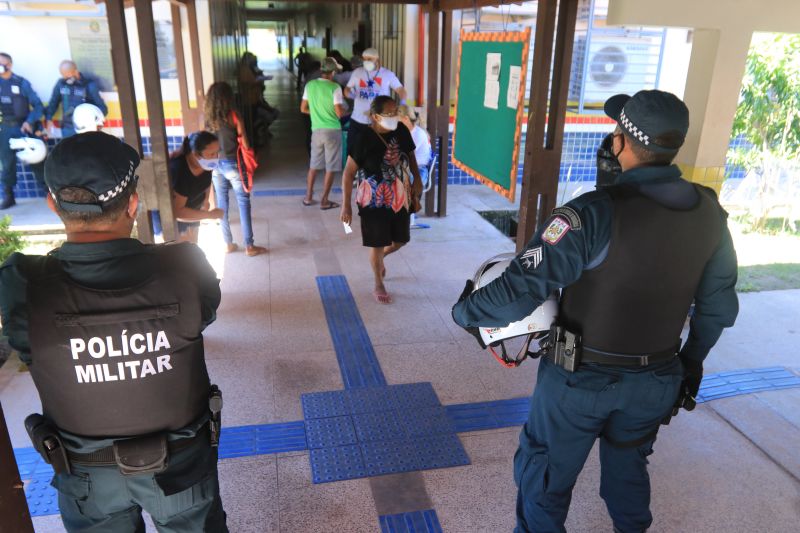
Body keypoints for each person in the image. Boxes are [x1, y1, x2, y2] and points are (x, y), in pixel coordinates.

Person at [452, 90, 739, 533]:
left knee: (544, 477)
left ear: (620, 142)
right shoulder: (710, 212)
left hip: (578, 382)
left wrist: (466, 313)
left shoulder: (590, 213)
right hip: (658, 378)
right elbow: (717, 306)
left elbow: (519, 289)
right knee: (628, 469)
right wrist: (690, 363)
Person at [0, 131, 228, 532]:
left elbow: (24, 340)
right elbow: (205, 311)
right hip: (181, 471)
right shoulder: (185, 266)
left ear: (53, 204)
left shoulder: (22, 285)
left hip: (87, 480)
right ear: (133, 203)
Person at [340, 96, 422, 304]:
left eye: (396, 111)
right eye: (390, 113)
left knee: (401, 240)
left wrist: (417, 181)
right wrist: (346, 204)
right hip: (373, 201)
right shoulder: (363, 138)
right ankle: (378, 281)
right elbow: (349, 173)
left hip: (400, 197)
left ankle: (380, 258)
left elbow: (411, 157)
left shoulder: (401, 131)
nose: (395, 116)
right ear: (375, 116)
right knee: (377, 243)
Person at [204, 81, 267, 257]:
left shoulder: (208, 119)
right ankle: (249, 246)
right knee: (243, 202)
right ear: (228, 98)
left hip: (216, 165)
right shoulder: (234, 116)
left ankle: (228, 244)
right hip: (234, 164)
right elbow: (245, 143)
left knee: (222, 203)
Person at [344, 47, 407, 158]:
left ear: (377, 59)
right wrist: (350, 94)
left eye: (369, 59)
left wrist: (402, 103)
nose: (366, 61)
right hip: (358, 120)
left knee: (378, 154)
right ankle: (354, 175)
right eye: (364, 59)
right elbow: (347, 89)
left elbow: (401, 90)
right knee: (352, 152)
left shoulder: (387, 74)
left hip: (380, 123)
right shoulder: (357, 73)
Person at [301, 57, 346, 210]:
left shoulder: (310, 85)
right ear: (333, 72)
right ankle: (324, 201)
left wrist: (316, 113)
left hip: (316, 131)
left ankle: (308, 197)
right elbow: (339, 112)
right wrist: (348, 111)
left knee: (313, 166)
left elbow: (303, 108)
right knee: (331, 167)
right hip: (332, 131)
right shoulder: (335, 88)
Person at [0, 52, 43, 209]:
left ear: (9, 65)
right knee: (7, 163)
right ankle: (9, 196)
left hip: (22, 126)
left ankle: (48, 193)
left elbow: (38, 106)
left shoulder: (21, 83)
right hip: (4, 129)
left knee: (36, 160)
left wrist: (29, 121)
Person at [170, 131, 224, 243]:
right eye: (211, 154)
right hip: (178, 223)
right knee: (184, 255)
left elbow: (207, 182)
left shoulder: (206, 163)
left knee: (193, 247)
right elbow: (178, 212)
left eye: (217, 153)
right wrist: (209, 215)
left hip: (194, 214)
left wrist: (206, 200)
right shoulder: (179, 171)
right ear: (195, 154)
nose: (215, 158)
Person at [45, 60, 107, 139]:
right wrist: (49, 119)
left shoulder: (89, 85)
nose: (66, 79)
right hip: (67, 130)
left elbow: (103, 109)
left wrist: (92, 122)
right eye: (63, 76)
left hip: (86, 131)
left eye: (68, 76)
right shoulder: (61, 84)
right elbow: (53, 103)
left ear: (75, 71)